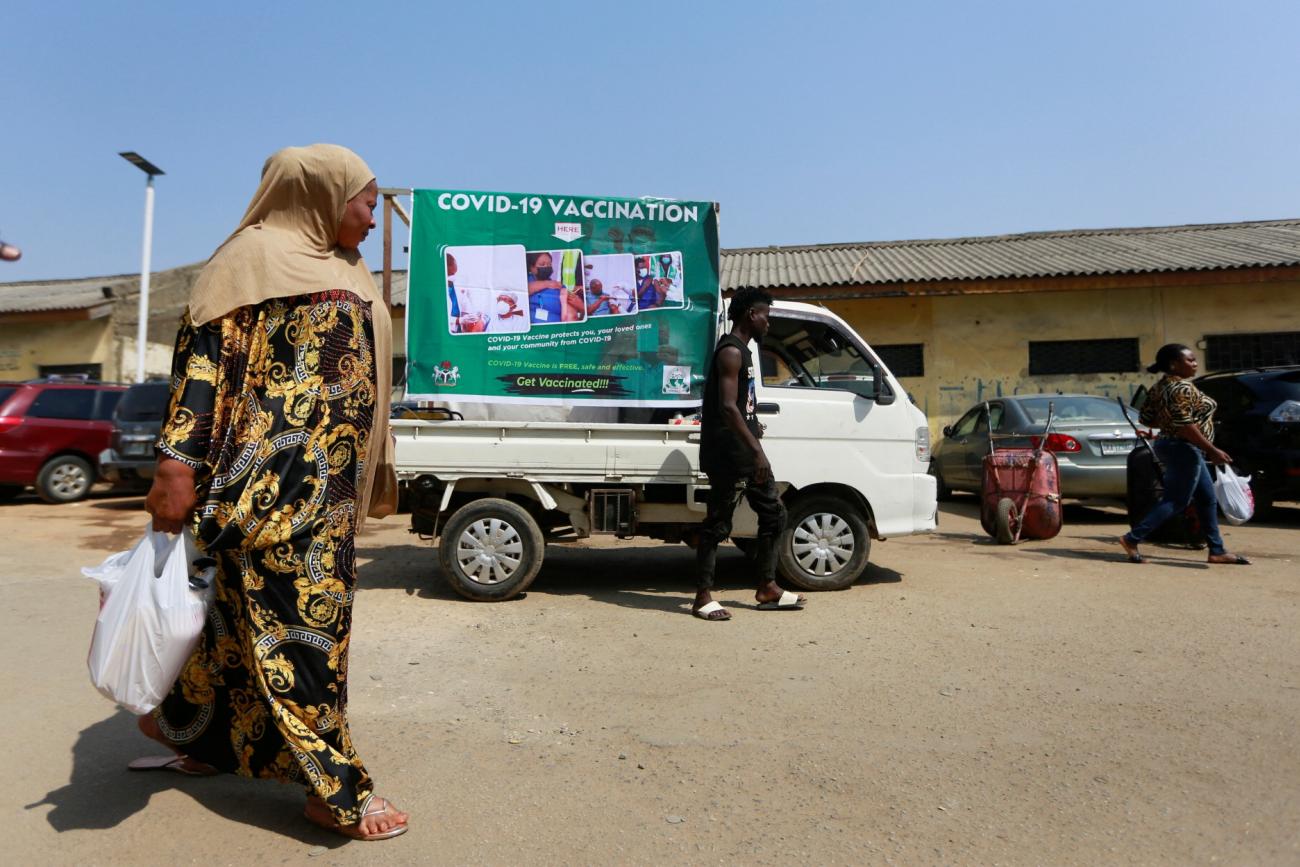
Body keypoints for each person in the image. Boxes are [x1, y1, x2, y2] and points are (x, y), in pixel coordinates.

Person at [136, 144, 409, 841]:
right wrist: (176, 464)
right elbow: (203, 370)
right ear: (321, 193)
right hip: (270, 485)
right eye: (366, 204)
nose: (373, 221)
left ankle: (194, 732)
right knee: (306, 632)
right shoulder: (247, 260)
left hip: (330, 493)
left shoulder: (342, 266)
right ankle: (331, 788)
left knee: (232, 619)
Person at [692, 287, 806, 621]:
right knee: (717, 524)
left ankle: (768, 587)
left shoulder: (746, 351)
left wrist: (755, 436)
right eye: (766, 316)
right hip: (727, 452)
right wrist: (758, 452)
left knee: (775, 514)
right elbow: (728, 408)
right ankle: (702, 597)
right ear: (750, 315)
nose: (768, 323)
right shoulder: (730, 352)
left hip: (744, 448)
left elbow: (744, 406)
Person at [1119, 343, 1250, 566]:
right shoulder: (1181, 389)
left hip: (1174, 446)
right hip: (1183, 448)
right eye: (1190, 360)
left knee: (1206, 499)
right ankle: (1132, 538)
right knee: (1176, 500)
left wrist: (1170, 424)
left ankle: (1216, 550)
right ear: (1174, 364)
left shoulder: (1161, 387)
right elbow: (1185, 426)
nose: (1195, 364)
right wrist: (1212, 449)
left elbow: (1147, 418)